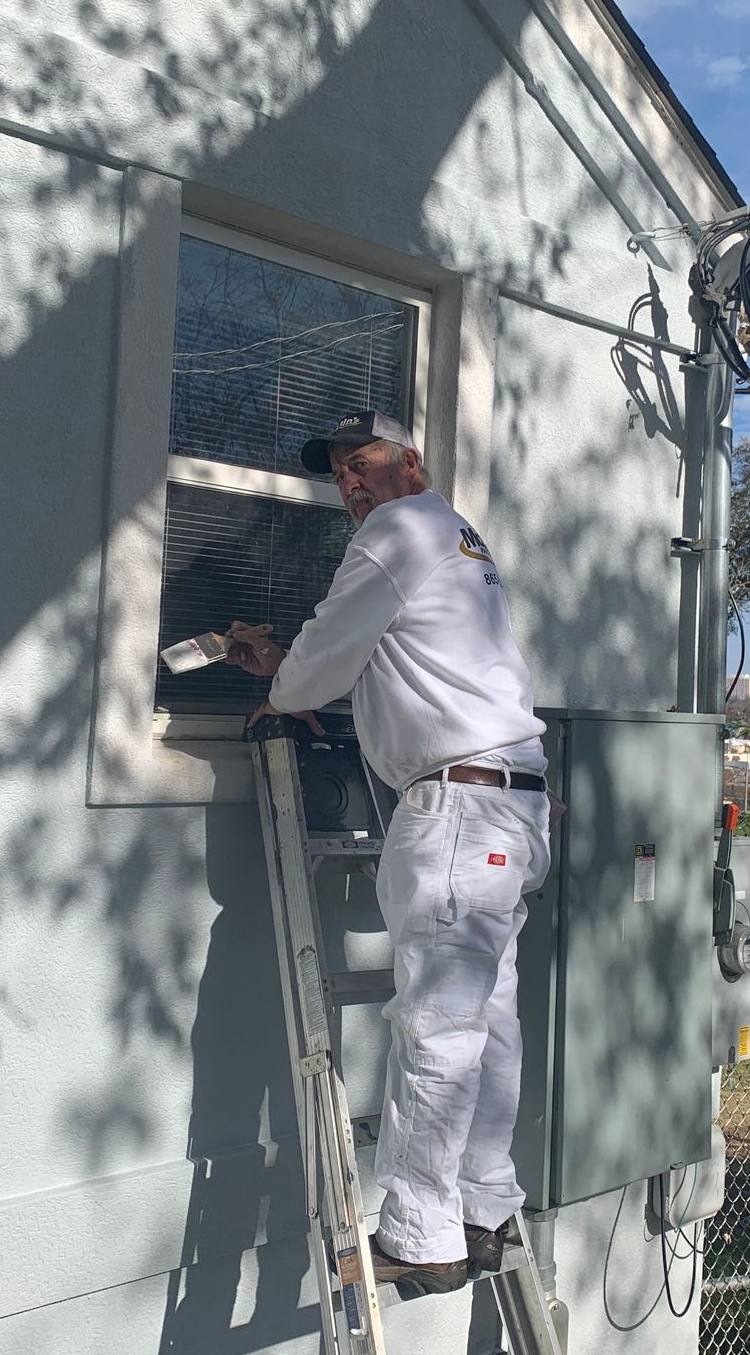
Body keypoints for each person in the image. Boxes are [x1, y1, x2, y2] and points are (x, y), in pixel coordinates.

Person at [225, 409, 550, 1299]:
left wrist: (288, 682)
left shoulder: (395, 530)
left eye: (361, 462)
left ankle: (420, 1232)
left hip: (457, 807)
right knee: (489, 1021)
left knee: (438, 1023)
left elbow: (327, 662)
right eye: (338, 474)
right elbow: (385, 655)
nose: (350, 484)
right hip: (511, 802)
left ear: (410, 461)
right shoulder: (456, 537)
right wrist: (290, 666)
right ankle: (484, 1207)